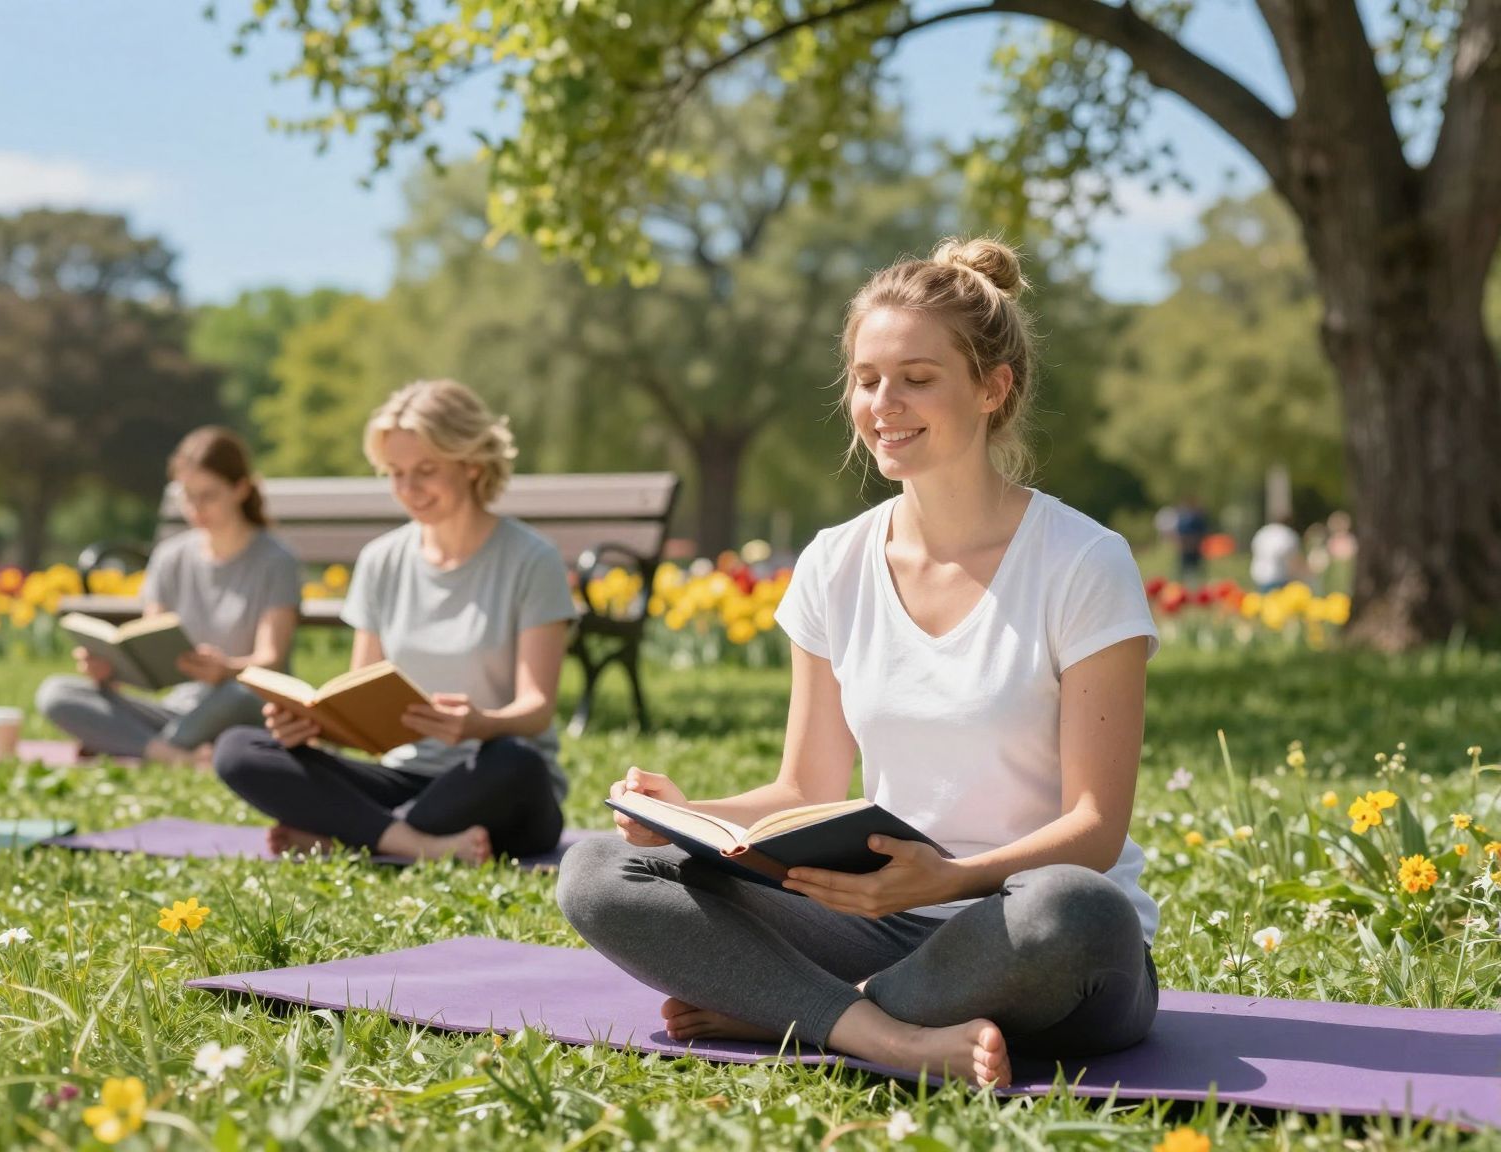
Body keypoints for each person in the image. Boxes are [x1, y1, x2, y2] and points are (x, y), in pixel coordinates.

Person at [557, 238, 1161, 1089]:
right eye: (867, 378)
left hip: (1022, 933)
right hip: (871, 918)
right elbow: (802, 787)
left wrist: (948, 880)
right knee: (596, 870)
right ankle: (888, 1033)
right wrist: (688, 815)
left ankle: (807, 1010)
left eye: (918, 377)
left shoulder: (1083, 562)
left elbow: (1094, 828)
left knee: (1077, 910)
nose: (885, 403)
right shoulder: (834, 564)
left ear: (993, 388)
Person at [212, 379, 577, 863]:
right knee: (239, 749)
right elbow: (359, 700)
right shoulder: (381, 560)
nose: (408, 490)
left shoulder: (533, 560)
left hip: (493, 783)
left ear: (471, 463)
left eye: (426, 470)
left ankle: (351, 835)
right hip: (404, 777)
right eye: (396, 472)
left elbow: (537, 708)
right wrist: (312, 726)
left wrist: (478, 724)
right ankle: (416, 844)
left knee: (516, 761)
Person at [36, 426, 300, 766]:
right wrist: (113, 670)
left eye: (208, 495)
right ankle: (176, 754)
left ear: (240, 489)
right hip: (180, 710)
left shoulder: (275, 561)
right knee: (56, 693)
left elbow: (272, 660)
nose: (196, 508)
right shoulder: (170, 557)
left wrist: (227, 669)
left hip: (243, 704)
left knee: (235, 693)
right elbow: (151, 649)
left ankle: (146, 749)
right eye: (187, 496)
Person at [1249, 512, 1304, 592]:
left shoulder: (1263, 531)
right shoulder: (1287, 534)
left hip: (1258, 573)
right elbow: (1293, 558)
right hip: (1277, 575)